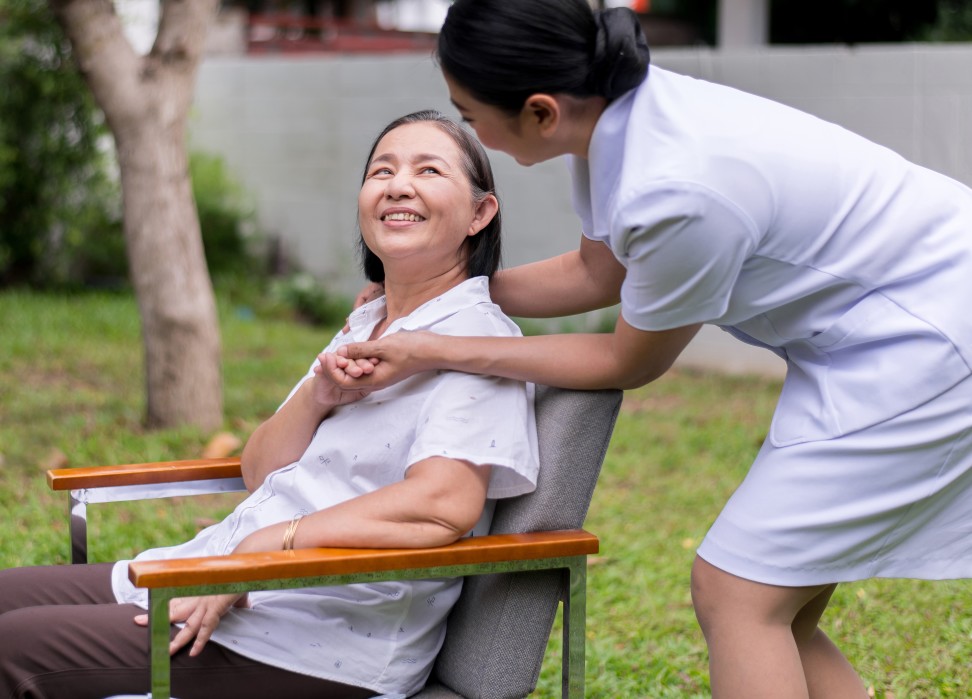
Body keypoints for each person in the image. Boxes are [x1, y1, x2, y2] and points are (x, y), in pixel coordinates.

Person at [327, 2, 972, 697]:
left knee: (737, 595)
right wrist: (440, 289)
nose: (468, 131)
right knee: (780, 606)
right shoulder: (613, 126)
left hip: (930, 337)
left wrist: (440, 344)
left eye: (469, 113)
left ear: (541, 111)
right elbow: (597, 274)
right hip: (869, 335)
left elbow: (627, 361)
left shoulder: (674, 189)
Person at [0, 110, 539, 699]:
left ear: (480, 213)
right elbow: (259, 471)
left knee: (14, 647)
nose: (398, 184)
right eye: (381, 169)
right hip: (223, 572)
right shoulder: (368, 323)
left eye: (428, 170)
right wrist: (319, 396)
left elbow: (441, 505)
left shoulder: (479, 344)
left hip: (316, 638)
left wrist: (268, 547)